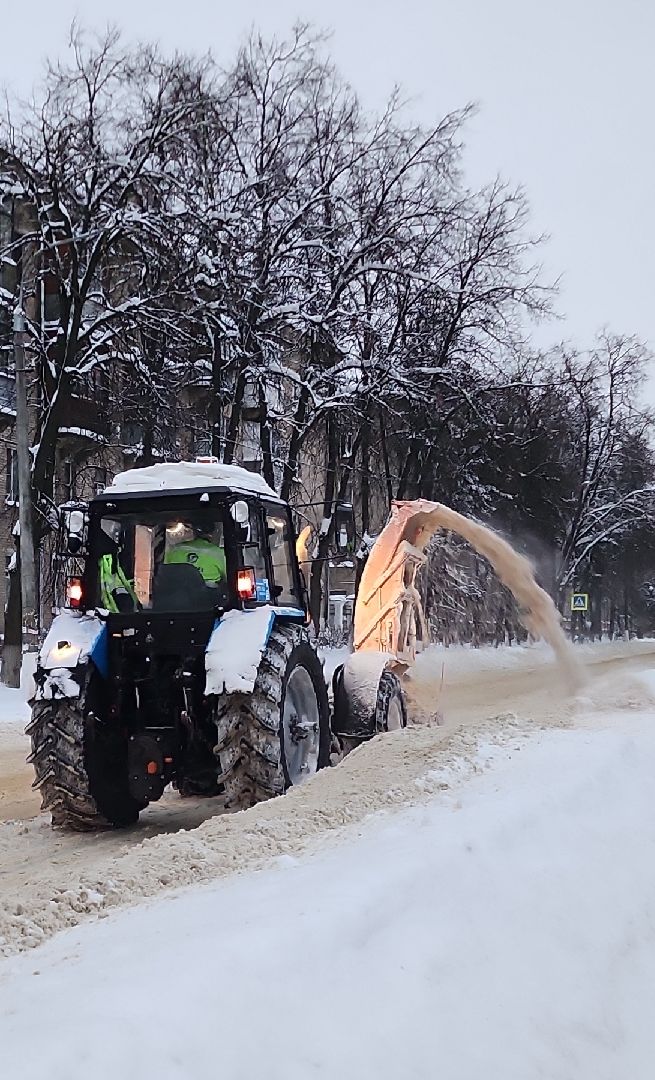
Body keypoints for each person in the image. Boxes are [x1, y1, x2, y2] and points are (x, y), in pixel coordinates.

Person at [165, 523, 226, 587]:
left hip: (177, 590)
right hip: (207, 592)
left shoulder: (175, 550)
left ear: (194, 533)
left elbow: (164, 572)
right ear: (214, 533)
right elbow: (229, 577)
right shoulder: (218, 552)